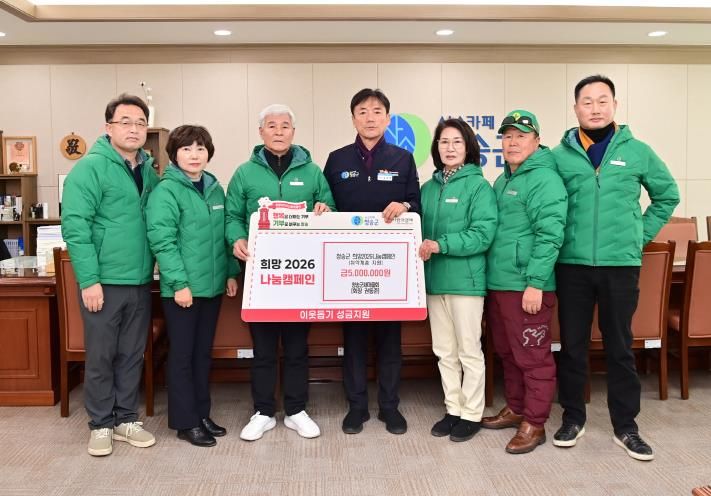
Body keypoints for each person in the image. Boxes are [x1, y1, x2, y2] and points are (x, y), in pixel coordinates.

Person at [552, 75, 679, 461]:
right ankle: (573, 418)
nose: (595, 108)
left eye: (602, 100)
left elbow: (667, 195)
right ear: (575, 108)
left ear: (615, 105)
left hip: (620, 266)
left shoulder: (637, 151)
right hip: (572, 265)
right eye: (587, 102)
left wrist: (638, 235)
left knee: (620, 346)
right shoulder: (559, 156)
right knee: (572, 346)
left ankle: (626, 427)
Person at [226, 104, 335, 441]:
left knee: (297, 346)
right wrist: (236, 238)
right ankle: (263, 412)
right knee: (263, 348)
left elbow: (331, 208)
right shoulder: (244, 173)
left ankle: (295, 410)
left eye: (284, 125)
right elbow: (231, 216)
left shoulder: (313, 171)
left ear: (293, 132)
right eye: (271, 125)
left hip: (302, 276)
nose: (278, 131)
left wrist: (326, 209)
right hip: (261, 277)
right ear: (261, 132)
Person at [62, 93, 159, 456]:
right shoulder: (90, 168)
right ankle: (101, 423)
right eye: (125, 122)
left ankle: (125, 419)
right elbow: (76, 227)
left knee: (132, 353)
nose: (134, 129)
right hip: (103, 281)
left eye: (140, 123)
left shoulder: (148, 170)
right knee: (102, 355)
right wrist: (89, 280)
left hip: (140, 279)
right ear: (108, 127)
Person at [323, 88, 421, 435]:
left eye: (377, 111)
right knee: (354, 340)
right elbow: (325, 205)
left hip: (389, 268)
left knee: (389, 340)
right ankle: (357, 407)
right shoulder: (336, 160)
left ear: (388, 119)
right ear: (353, 119)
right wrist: (322, 208)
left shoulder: (402, 159)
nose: (370, 117)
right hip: (346, 267)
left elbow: (416, 204)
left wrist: (405, 206)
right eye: (362, 111)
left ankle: (390, 407)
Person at [146, 125, 239, 447]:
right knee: (183, 356)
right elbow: (163, 241)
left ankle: (201, 414)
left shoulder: (214, 188)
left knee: (202, 355)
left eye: (200, 148)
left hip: (211, 287)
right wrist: (179, 284)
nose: (194, 155)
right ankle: (185, 422)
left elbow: (224, 235)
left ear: (208, 153)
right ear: (174, 154)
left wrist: (230, 272)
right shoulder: (166, 191)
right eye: (186, 149)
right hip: (183, 290)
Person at [481, 110, 567, 454]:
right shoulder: (502, 181)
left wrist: (536, 282)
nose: (513, 142)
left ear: (537, 141)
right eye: (507, 136)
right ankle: (516, 408)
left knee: (533, 357)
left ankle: (535, 422)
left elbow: (550, 235)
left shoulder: (545, 179)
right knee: (508, 353)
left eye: (521, 135)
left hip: (527, 287)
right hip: (500, 284)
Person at [419, 118, 497, 442]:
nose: (449, 148)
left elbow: (483, 234)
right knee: (444, 351)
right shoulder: (427, 189)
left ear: (468, 147)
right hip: (434, 283)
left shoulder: (479, 187)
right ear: (436, 147)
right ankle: (453, 409)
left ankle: (472, 413)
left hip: (466, 283)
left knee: (469, 351)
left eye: (457, 142)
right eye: (444, 142)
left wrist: (441, 245)